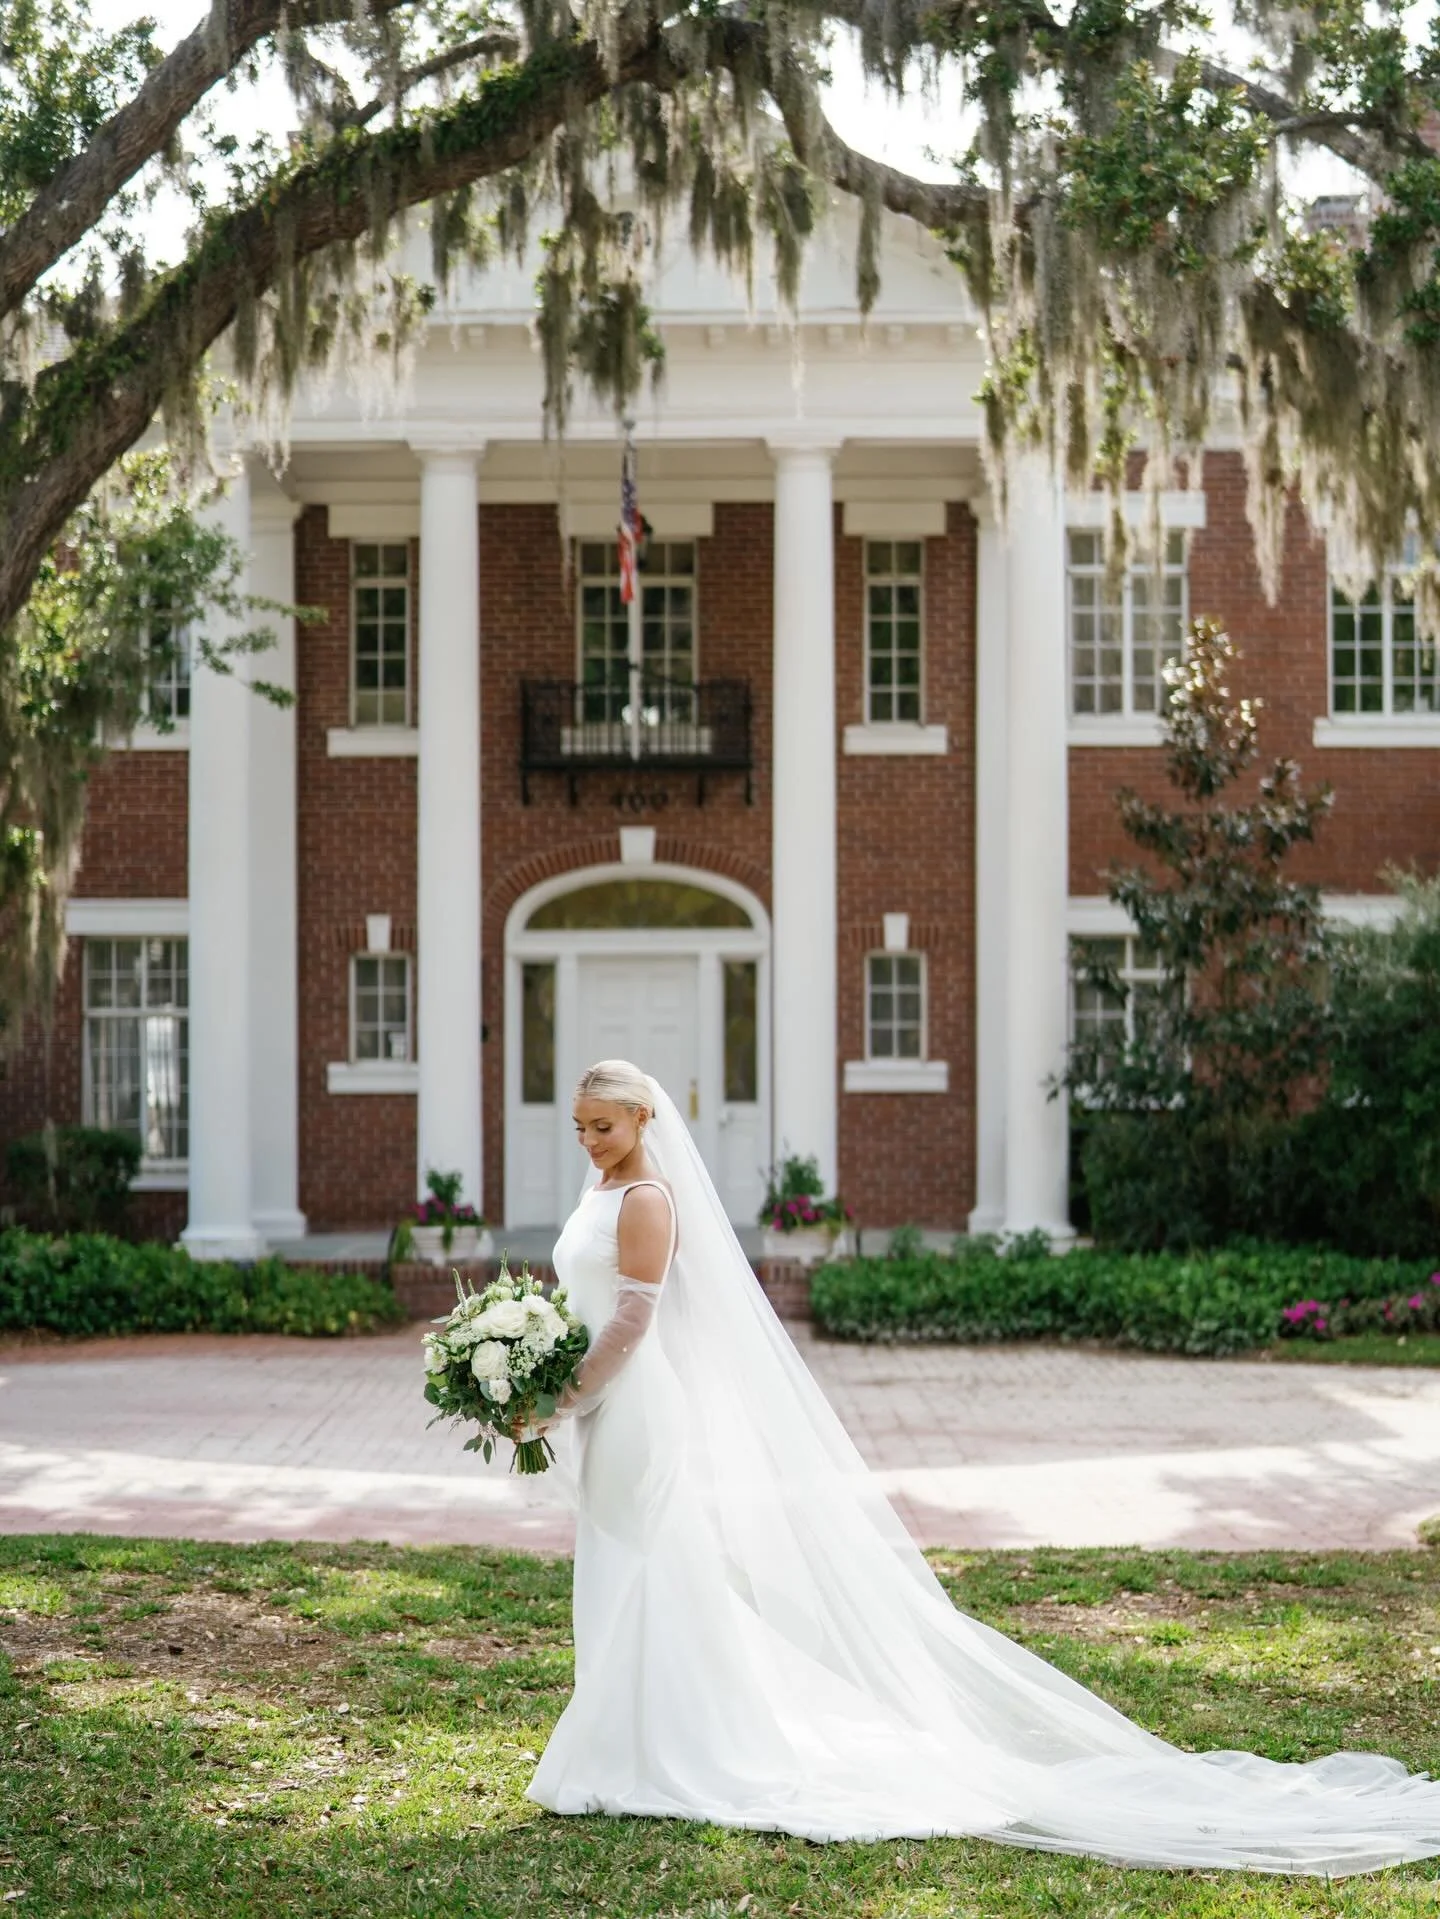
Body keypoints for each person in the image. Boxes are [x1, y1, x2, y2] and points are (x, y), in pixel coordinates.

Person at [525, 1058, 1440, 1874]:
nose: (591, 1141)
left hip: (636, 1408)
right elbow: (584, 1304)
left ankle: (659, 1745)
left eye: (603, 1126)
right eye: (581, 1127)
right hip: (610, 1407)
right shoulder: (599, 1194)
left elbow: (633, 1324)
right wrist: (524, 1358)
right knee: (626, 1564)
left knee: (652, 1564)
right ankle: (631, 1732)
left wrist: (558, 1395)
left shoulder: (647, 1201)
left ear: (645, 1120)